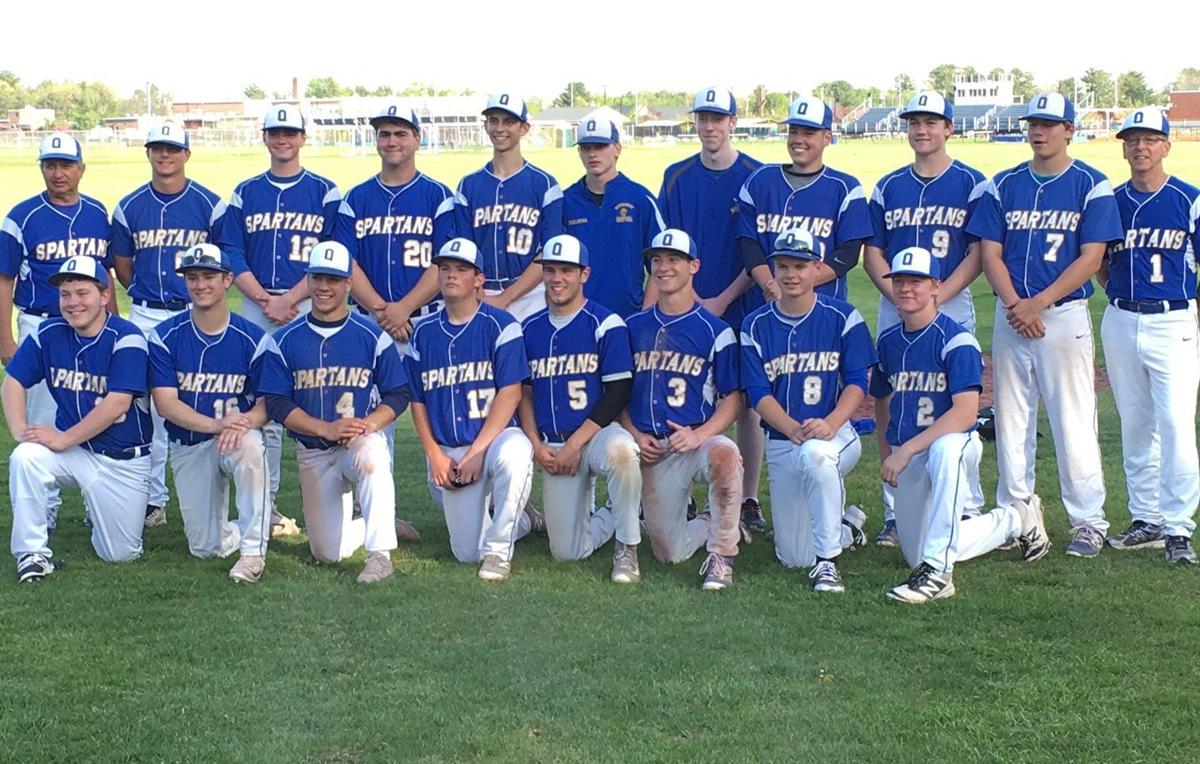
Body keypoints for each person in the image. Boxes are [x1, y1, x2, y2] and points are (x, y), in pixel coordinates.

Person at [968, 92, 1124, 558]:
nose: (1039, 131)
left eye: (1049, 124)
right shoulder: (1003, 184)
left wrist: (1037, 303)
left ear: (1069, 130)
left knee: (1073, 419)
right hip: (1012, 314)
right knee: (1011, 419)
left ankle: (1088, 521)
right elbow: (990, 253)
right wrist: (1017, 304)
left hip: (1062, 315)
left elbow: (1091, 258)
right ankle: (1016, 517)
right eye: (1034, 124)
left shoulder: (1091, 185)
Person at [870, 247, 1050, 604]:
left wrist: (907, 449)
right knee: (917, 552)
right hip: (908, 454)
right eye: (900, 281)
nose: (906, 288)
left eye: (916, 281)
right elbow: (882, 402)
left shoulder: (956, 340)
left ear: (936, 286)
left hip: (953, 444)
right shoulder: (888, 342)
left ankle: (939, 574)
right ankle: (1016, 519)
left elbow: (966, 415)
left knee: (946, 449)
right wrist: (888, 453)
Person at [862, 91, 988, 546]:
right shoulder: (888, 185)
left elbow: (977, 252)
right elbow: (872, 252)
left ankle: (967, 504)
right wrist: (901, 297)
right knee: (895, 397)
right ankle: (895, 510)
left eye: (931, 122)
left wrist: (934, 296)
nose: (921, 129)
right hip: (897, 298)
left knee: (955, 398)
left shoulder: (972, 183)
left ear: (949, 128)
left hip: (947, 299)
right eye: (914, 122)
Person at [334, 102, 456, 541]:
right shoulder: (355, 198)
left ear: (417, 139)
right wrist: (384, 311)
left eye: (401, 133)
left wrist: (403, 307)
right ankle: (377, 514)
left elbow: (446, 262)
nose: (392, 141)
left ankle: (456, 497)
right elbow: (346, 262)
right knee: (372, 418)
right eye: (385, 134)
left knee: (440, 411)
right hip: (373, 324)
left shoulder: (439, 196)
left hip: (427, 321)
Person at [220, 105, 341, 538]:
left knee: (323, 400)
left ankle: (337, 506)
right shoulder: (245, 191)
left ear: (303, 137)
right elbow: (232, 252)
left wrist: (289, 298)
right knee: (263, 408)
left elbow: (335, 255)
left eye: (290, 132)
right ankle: (265, 508)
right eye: (275, 132)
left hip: (309, 303)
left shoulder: (325, 192)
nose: (283, 139)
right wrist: (264, 299)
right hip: (258, 306)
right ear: (265, 137)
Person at [258, 241, 408, 583]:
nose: (324, 287)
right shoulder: (284, 340)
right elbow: (278, 404)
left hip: (357, 440)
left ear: (348, 284)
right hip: (314, 450)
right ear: (308, 280)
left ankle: (380, 555)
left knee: (373, 454)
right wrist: (324, 428)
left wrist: (369, 424)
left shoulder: (372, 336)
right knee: (327, 553)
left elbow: (398, 394)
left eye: (334, 279)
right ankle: (376, 521)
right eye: (318, 278)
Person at [739, 228, 874, 592]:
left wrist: (831, 423)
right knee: (794, 557)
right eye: (783, 266)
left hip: (835, 434)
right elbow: (757, 393)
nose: (791, 274)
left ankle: (828, 564)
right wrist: (790, 428)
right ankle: (847, 526)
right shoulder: (755, 324)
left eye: (800, 265)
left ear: (817, 268)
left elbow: (857, 381)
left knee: (816, 456)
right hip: (783, 439)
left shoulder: (843, 316)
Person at [3, 256, 152, 581]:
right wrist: (19, 431)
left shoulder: (127, 336)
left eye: (82, 293)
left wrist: (63, 438)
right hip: (75, 453)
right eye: (65, 294)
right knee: (26, 457)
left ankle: (100, 512)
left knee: (120, 555)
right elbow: (13, 380)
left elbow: (117, 403)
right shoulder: (49, 332)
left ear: (104, 295)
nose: (73, 302)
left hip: (122, 460)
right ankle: (32, 554)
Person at [658, 88, 766, 532]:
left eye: (718, 118)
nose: (709, 126)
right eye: (703, 118)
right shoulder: (677, 176)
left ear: (733, 122)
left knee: (744, 402)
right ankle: (681, 494)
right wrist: (687, 300)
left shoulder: (756, 176)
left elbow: (757, 249)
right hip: (687, 305)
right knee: (682, 392)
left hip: (740, 301)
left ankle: (747, 498)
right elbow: (667, 250)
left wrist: (722, 298)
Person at [112, 121, 227, 528]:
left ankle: (209, 493)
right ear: (148, 152)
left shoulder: (209, 204)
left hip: (193, 312)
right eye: (158, 148)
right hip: (146, 313)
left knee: (199, 397)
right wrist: (141, 292)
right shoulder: (128, 206)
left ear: (186, 154)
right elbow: (122, 265)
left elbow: (220, 262)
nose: (165, 155)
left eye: (173, 149)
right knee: (145, 405)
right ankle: (152, 499)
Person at [0, 133, 117, 530]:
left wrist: (113, 323)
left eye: (66, 164)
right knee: (42, 415)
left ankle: (97, 497)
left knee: (93, 409)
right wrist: (6, 339)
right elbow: (5, 279)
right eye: (50, 165)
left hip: (93, 325)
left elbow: (105, 276)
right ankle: (42, 507)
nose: (58, 173)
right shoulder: (21, 216)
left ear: (81, 168)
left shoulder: (97, 212)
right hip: (42, 322)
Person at [405, 238, 540, 581]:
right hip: (449, 449)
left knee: (517, 452)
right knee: (466, 553)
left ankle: (499, 554)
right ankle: (522, 520)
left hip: (494, 440)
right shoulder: (422, 333)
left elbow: (510, 393)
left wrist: (478, 452)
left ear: (479, 279)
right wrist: (434, 454)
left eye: (461, 269)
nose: (451, 275)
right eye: (445, 268)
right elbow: (417, 401)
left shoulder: (502, 325)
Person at [1100, 107, 1200, 563]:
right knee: (1136, 423)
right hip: (1121, 318)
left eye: (1150, 139)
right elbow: (1100, 262)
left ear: (1166, 146)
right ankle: (1147, 518)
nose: (1141, 147)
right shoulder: (1111, 202)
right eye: (1132, 140)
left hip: (1173, 319)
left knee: (1176, 424)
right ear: (1124, 148)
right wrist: (1117, 295)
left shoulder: (1188, 199)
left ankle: (1179, 527)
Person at [621, 229, 745, 590]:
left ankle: (722, 555)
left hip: (695, 441)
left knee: (726, 453)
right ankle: (709, 520)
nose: (663, 267)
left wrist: (699, 435)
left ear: (694, 266)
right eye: (657, 260)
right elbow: (617, 395)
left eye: (674, 259)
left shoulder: (716, 330)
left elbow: (733, 399)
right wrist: (634, 432)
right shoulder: (631, 328)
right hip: (651, 448)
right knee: (669, 554)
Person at [517, 234, 642, 582]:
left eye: (567, 270)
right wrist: (536, 444)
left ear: (584, 274)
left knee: (622, 452)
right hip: (553, 442)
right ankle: (615, 513)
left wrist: (575, 445)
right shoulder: (528, 329)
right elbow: (523, 393)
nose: (557, 278)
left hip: (596, 434)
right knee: (567, 553)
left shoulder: (606, 323)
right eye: (550, 270)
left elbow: (618, 391)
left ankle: (627, 546)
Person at [148, 243, 271, 582]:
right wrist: (219, 425)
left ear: (227, 279)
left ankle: (253, 552)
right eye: (192, 277)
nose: (200, 284)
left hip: (236, 437)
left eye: (208, 276)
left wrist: (243, 423)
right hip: (190, 442)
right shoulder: (164, 336)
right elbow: (166, 404)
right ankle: (249, 527)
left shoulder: (254, 338)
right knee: (205, 547)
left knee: (252, 446)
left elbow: (267, 405)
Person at [452, 93, 564, 321]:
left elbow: (549, 252)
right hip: (480, 293)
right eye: (493, 121)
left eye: (509, 122)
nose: (500, 128)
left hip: (531, 295)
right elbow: (463, 250)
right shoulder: (468, 185)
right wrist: (478, 292)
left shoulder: (545, 184)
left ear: (524, 128)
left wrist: (507, 297)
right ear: (485, 125)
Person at [561, 114, 664, 318]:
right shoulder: (565, 201)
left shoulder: (640, 199)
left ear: (617, 148)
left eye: (600, 146)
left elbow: (662, 264)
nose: (592, 154)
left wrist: (644, 316)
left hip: (628, 317)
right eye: (586, 148)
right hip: (578, 317)